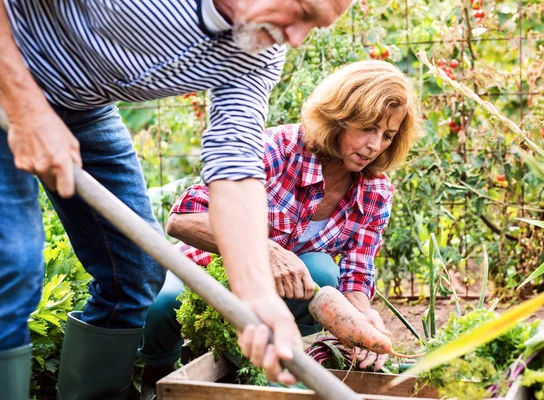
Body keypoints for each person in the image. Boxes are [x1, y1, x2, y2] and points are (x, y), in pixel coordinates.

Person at [0, 1, 353, 398]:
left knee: (134, 272)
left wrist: (256, 295)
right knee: (11, 264)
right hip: (7, 67)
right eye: (303, 11)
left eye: (314, 26)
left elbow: (234, 167)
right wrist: (27, 108)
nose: (296, 37)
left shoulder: (256, 50)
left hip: (79, 103)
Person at [139, 60, 423, 395]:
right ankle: (158, 378)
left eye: (388, 135)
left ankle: (277, 371)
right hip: (210, 266)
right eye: (367, 128)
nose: (375, 146)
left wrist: (362, 324)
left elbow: (356, 277)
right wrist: (264, 249)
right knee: (163, 304)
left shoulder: (375, 190)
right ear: (339, 117)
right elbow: (183, 217)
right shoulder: (275, 150)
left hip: (284, 293)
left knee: (322, 272)